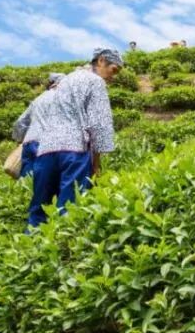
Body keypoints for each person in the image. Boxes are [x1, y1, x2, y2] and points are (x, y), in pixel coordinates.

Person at [25, 48, 122, 229]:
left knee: (39, 208)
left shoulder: (66, 80)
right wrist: (96, 162)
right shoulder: (95, 82)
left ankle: (29, 247)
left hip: (46, 149)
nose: (113, 76)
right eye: (114, 70)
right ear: (101, 61)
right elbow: (99, 123)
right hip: (74, 150)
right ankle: (62, 252)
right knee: (68, 209)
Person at [12, 72, 65, 178]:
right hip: (50, 144)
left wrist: (20, 140)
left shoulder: (38, 99)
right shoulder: (64, 99)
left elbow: (21, 122)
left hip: (30, 142)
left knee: (26, 181)